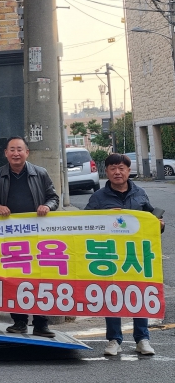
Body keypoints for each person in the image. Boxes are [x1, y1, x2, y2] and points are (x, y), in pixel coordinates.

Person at [85, 153, 165, 356]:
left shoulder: (140, 193)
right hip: (109, 254)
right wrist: (105, 216)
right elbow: (85, 223)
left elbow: (151, 218)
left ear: (129, 171)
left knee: (139, 293)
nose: (117, 172)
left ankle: (142, 339)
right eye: (113, 168)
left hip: (135, 254)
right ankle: (114, 340)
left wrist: (159, 225)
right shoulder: (98, 198)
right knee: (112, 295)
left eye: (121, 168)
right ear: (107, 172)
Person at [0, 136, 59, 337]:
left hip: (38, 237)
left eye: (20, 149)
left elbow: (54, 198)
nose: (16, 153)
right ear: (6, 153)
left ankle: (41, 324)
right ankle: (19, 321)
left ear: (27, 152)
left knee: (40, 279)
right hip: (11, 239)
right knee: (14, 279)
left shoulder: (40, 173)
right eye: (12, 150)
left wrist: (47, 206)